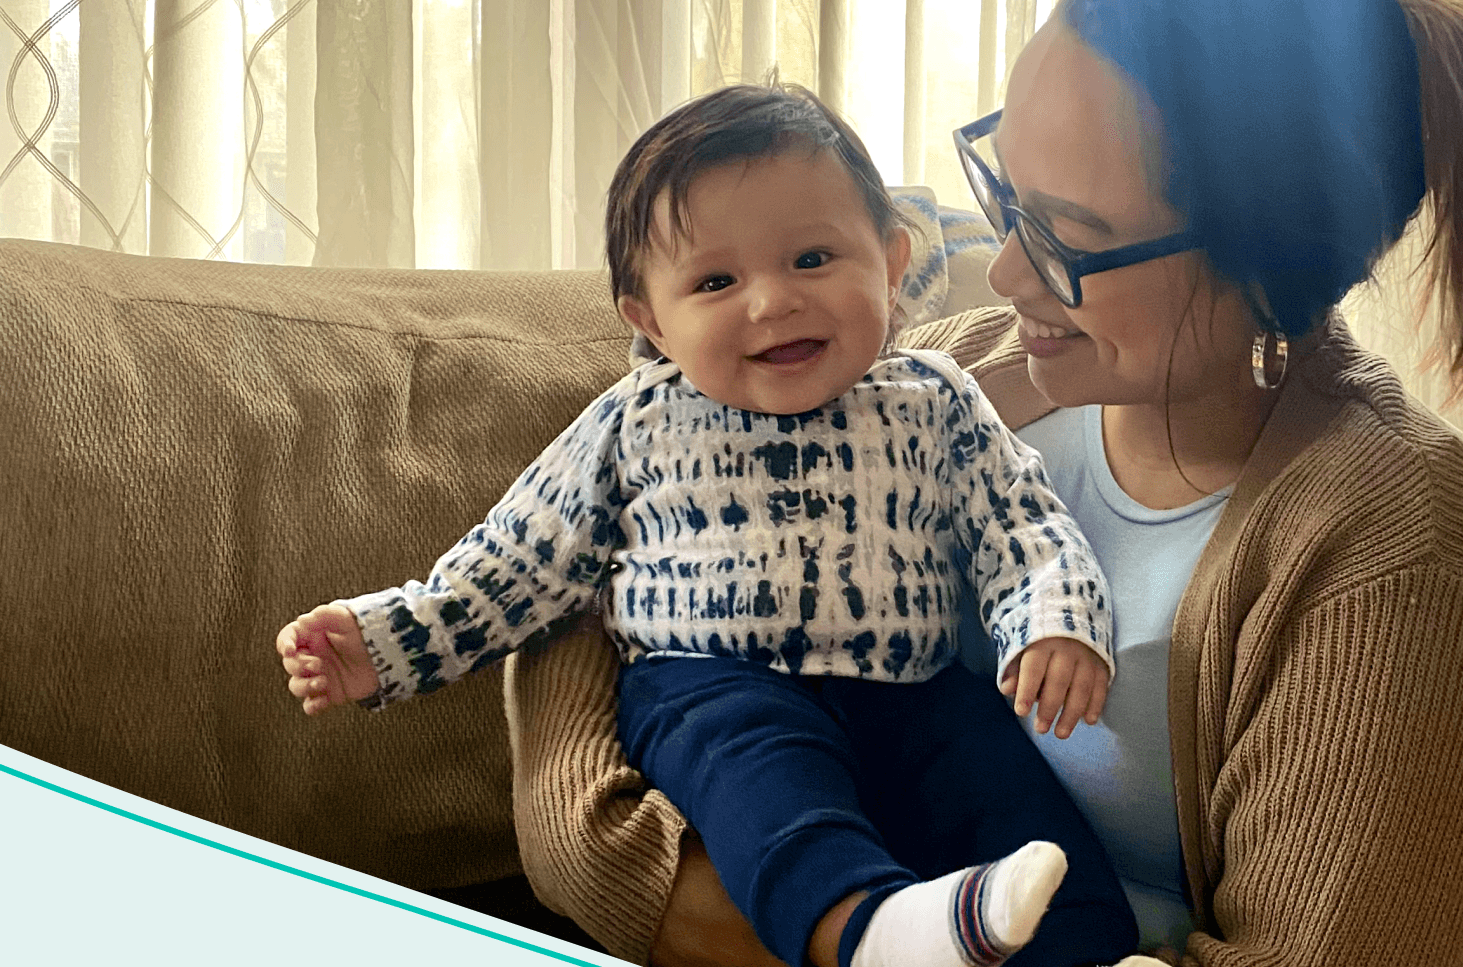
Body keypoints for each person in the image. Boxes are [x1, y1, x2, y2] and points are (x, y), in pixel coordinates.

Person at [508, 0, 1463, 967]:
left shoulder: (1401, 563)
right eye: (1007, 194)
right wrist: (624, 854)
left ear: (1265, 260)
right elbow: (610, 551)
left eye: (1069, 237)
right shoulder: (959, 377)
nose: (1006, 272)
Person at [274, 83, 1147, 967]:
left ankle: (1090, 952)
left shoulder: (934, 397)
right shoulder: (637, 419)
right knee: (767, 791)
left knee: (1006, 791)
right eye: (717, 282)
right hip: (712, 683)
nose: (773, 302)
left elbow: (1019, 522)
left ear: (891, 264)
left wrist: (1054, 620)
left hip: (913, 685)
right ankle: (865, 933)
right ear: (651, 321)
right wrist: (386, 641)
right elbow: (519, 561)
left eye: (813, 258)